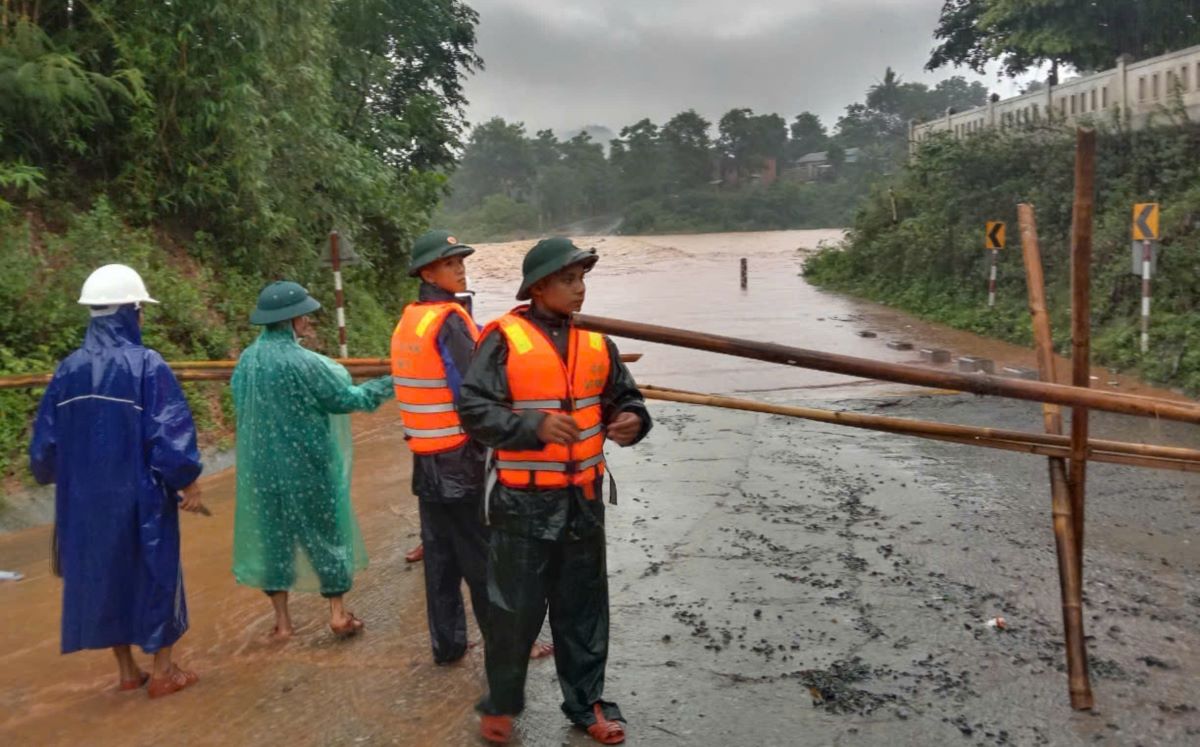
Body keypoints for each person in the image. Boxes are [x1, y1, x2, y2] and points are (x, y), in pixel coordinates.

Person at [460, 237, 652, 745]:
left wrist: (632, 419)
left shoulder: (597, 345)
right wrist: (534, 426)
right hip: (522, 504)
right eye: (569, 280)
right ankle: (500, 706)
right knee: (512, 613)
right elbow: (474, 410)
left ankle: (587, 703)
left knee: (584, 609)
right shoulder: (502, 339)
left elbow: (625, 398)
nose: (580, 289)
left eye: (583, 279)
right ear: (539, 286)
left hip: (583, 502)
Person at [29, 264, 206, 699]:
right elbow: (170, 435)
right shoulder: (147, 365)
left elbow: (45, 451)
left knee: (103, 574)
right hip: (140, 497)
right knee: (155, 571)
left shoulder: (66, 371)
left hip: (85, 502)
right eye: (140, 310)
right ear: (129, 312)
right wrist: (188, 481)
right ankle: (163, 671)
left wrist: (67, 480)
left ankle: (128, 671)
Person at [391, 229, 553, 665]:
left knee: (441, 560)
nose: (460, 268)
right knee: (484, 559)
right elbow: (474, 390)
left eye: (461, 261)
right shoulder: (448, 320)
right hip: (460, 459)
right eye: (451, 263)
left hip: (425, 458)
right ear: (428, 271)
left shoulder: (411, 317)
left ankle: (448, 647)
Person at [231, 281, 393, 639]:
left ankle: (283, 624)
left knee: (275, 540)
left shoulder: (247, 361)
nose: (307, 321)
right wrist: (389, 382)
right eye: (304, 316)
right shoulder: (304, 363)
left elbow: (239, 405)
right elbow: (347, 400)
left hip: (261, 470)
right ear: (291, 320)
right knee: (325, 534)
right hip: (306, 466)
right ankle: (337, 614)